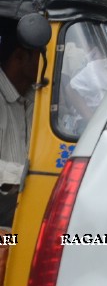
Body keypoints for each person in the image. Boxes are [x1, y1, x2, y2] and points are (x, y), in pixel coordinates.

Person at [0, 18, 46, 224]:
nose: (48, 63)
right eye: (42, 56)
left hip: (21, 210)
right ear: (19, 56)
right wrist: (30, 177)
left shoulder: (34, 97)